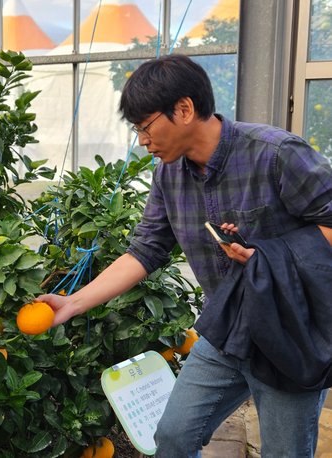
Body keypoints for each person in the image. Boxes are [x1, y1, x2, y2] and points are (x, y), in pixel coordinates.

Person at [36, 54, 332, 457]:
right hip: (227, 330)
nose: (143, 141)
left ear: (185, 109)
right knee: (173, 437)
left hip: (289, 333)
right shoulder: (168, 175)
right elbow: (145, 250)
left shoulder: (275, 154)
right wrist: (72, 303)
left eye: (145, 127)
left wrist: (270, 253)